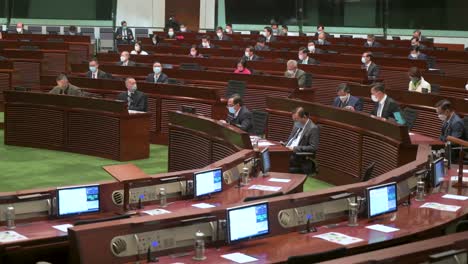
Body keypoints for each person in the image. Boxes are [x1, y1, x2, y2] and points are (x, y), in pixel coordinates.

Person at [285, 107, 320, 174]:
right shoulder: (297, 125)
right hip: (288, 151)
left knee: (277, 161)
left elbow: (313, 147)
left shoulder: (313, 129)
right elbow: (292, 140)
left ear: (304, 117)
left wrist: (295, 148)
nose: (295, 122)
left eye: (296, 119)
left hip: (298, 157)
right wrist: (284, 144)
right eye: (294, 120)